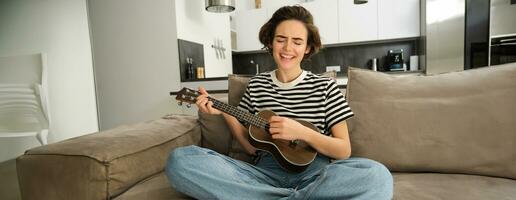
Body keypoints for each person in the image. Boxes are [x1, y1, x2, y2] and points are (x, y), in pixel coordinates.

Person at [165, 5, 393, 199]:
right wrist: (224, 111)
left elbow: (343, 150)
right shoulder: (256, 86)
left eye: (297, 41)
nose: (287, 48)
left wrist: (303, 133)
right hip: (262, 175)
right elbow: (251, 146)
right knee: (180, 161)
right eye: (281, 40)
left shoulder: (326, 87)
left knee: (377, 176)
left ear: (307, 48)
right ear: (270, 43)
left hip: (316, 175)